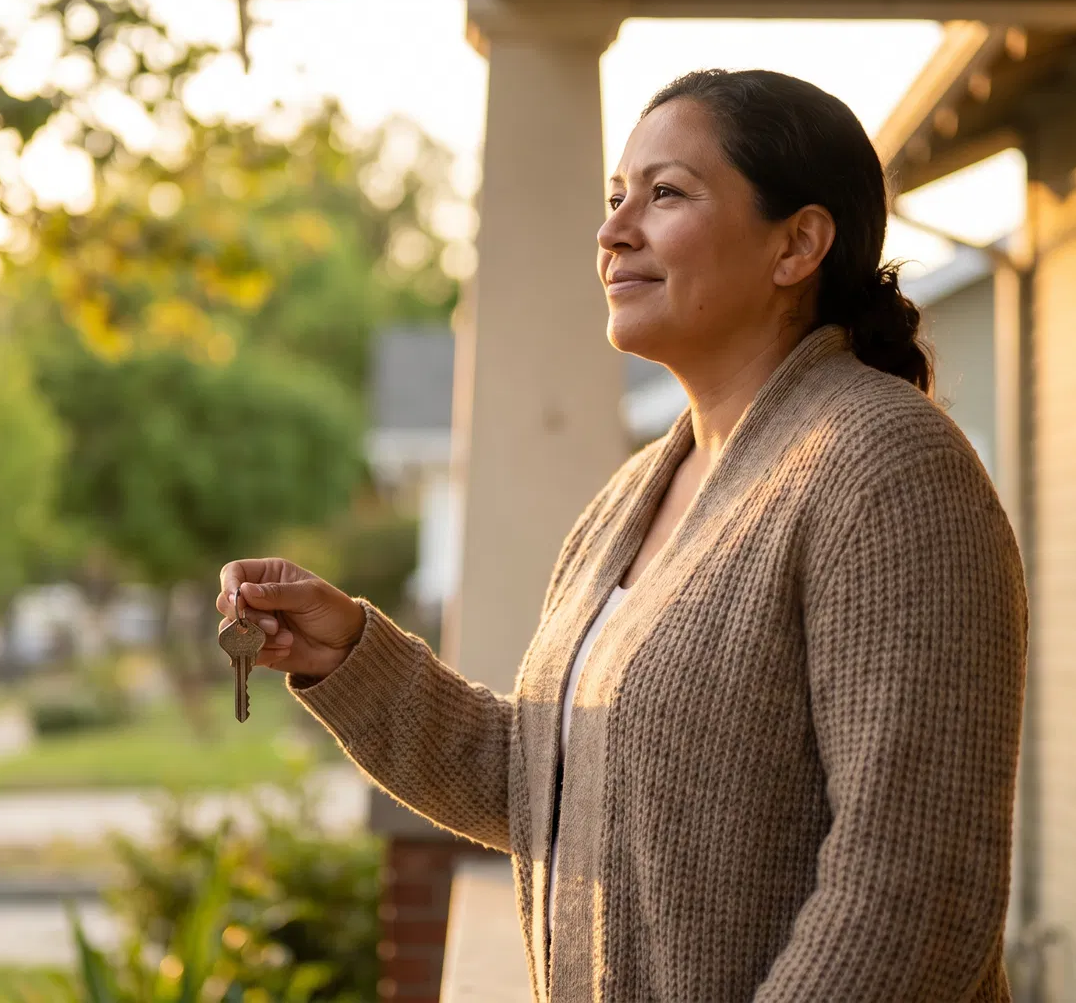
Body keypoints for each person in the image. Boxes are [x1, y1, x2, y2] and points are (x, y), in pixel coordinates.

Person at [218, 68, 1027, 1001]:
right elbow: (543, 787)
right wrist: (353, 654)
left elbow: (913, 895)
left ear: (798, 244)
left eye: (667, 193)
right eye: (614, 197)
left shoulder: (885, 468)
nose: (612, 231)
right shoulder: (634, 495)